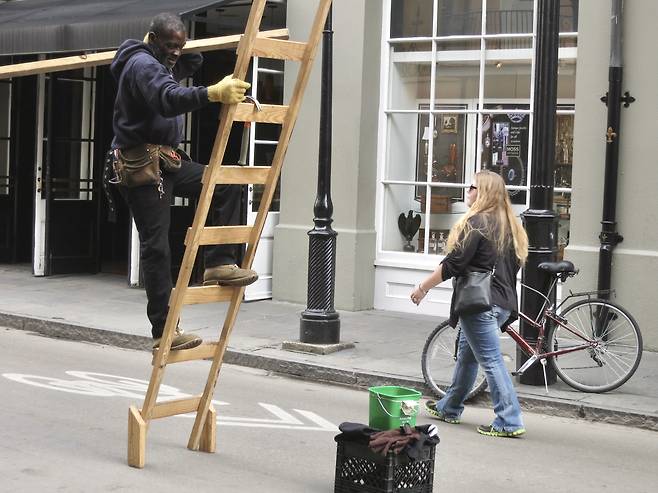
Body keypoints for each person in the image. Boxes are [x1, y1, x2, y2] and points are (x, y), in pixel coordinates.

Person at [110, 12, 258, 351]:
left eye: (180, 46)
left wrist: (185, 57)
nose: (176, 52)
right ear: (151, 39)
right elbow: (167, 97)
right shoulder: (142, 66)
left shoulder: (158, 63)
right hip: (142, 169)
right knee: (157, 248)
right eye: (170, 46)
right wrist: (212, 93)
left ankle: (219, 263)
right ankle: (164, 331)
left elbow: (183, 66)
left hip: (168, 162)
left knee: (224, 182)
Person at [410, 170, 529, 437]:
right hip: (502, 303)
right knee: (467, 355)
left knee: (491, 360)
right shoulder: (510, 226)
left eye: (472, 187)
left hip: (480, 304)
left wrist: (422, 288)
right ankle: (450, 407)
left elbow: (454, 264)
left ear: (483, 192)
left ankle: (509, 420)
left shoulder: (477, 222)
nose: (468, 190)